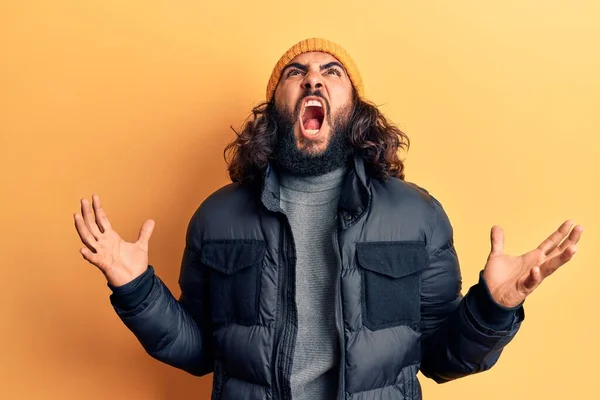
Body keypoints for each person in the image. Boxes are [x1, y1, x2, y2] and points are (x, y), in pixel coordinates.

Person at [73, 38, 583, 400]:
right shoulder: (218, 216)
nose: (312, 77)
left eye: (330, 71)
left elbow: (440, 359)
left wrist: (493, 307)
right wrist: (138, 290)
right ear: (274, 107)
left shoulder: (417, 215)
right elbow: (201, 352)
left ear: (354, 109)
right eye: (295, 72)